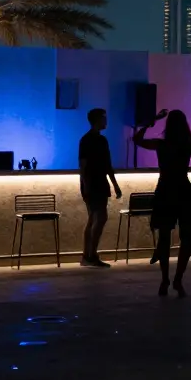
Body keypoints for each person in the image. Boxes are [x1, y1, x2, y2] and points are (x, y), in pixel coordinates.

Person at [134, 109, 191, 297]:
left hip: (165, 191)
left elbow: (137, 140)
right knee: (186, 238)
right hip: (183, 191)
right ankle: (178, 280)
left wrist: (151, 121)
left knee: (165, 238)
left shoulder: (161, 144)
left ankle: (164, 279)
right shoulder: (188, 144)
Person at [79, 108, 122, 267]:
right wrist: (87, 185)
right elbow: (103, 165)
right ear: (97, 119)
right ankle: (91, 255)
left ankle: (87, 255)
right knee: (100, 218)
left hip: (94, 183)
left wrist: (85, 185)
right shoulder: (93, 140)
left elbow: (103, 165)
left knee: (93, 219)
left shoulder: (89, 139)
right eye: (104, 118)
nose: (106, 120)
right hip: (95, 183)